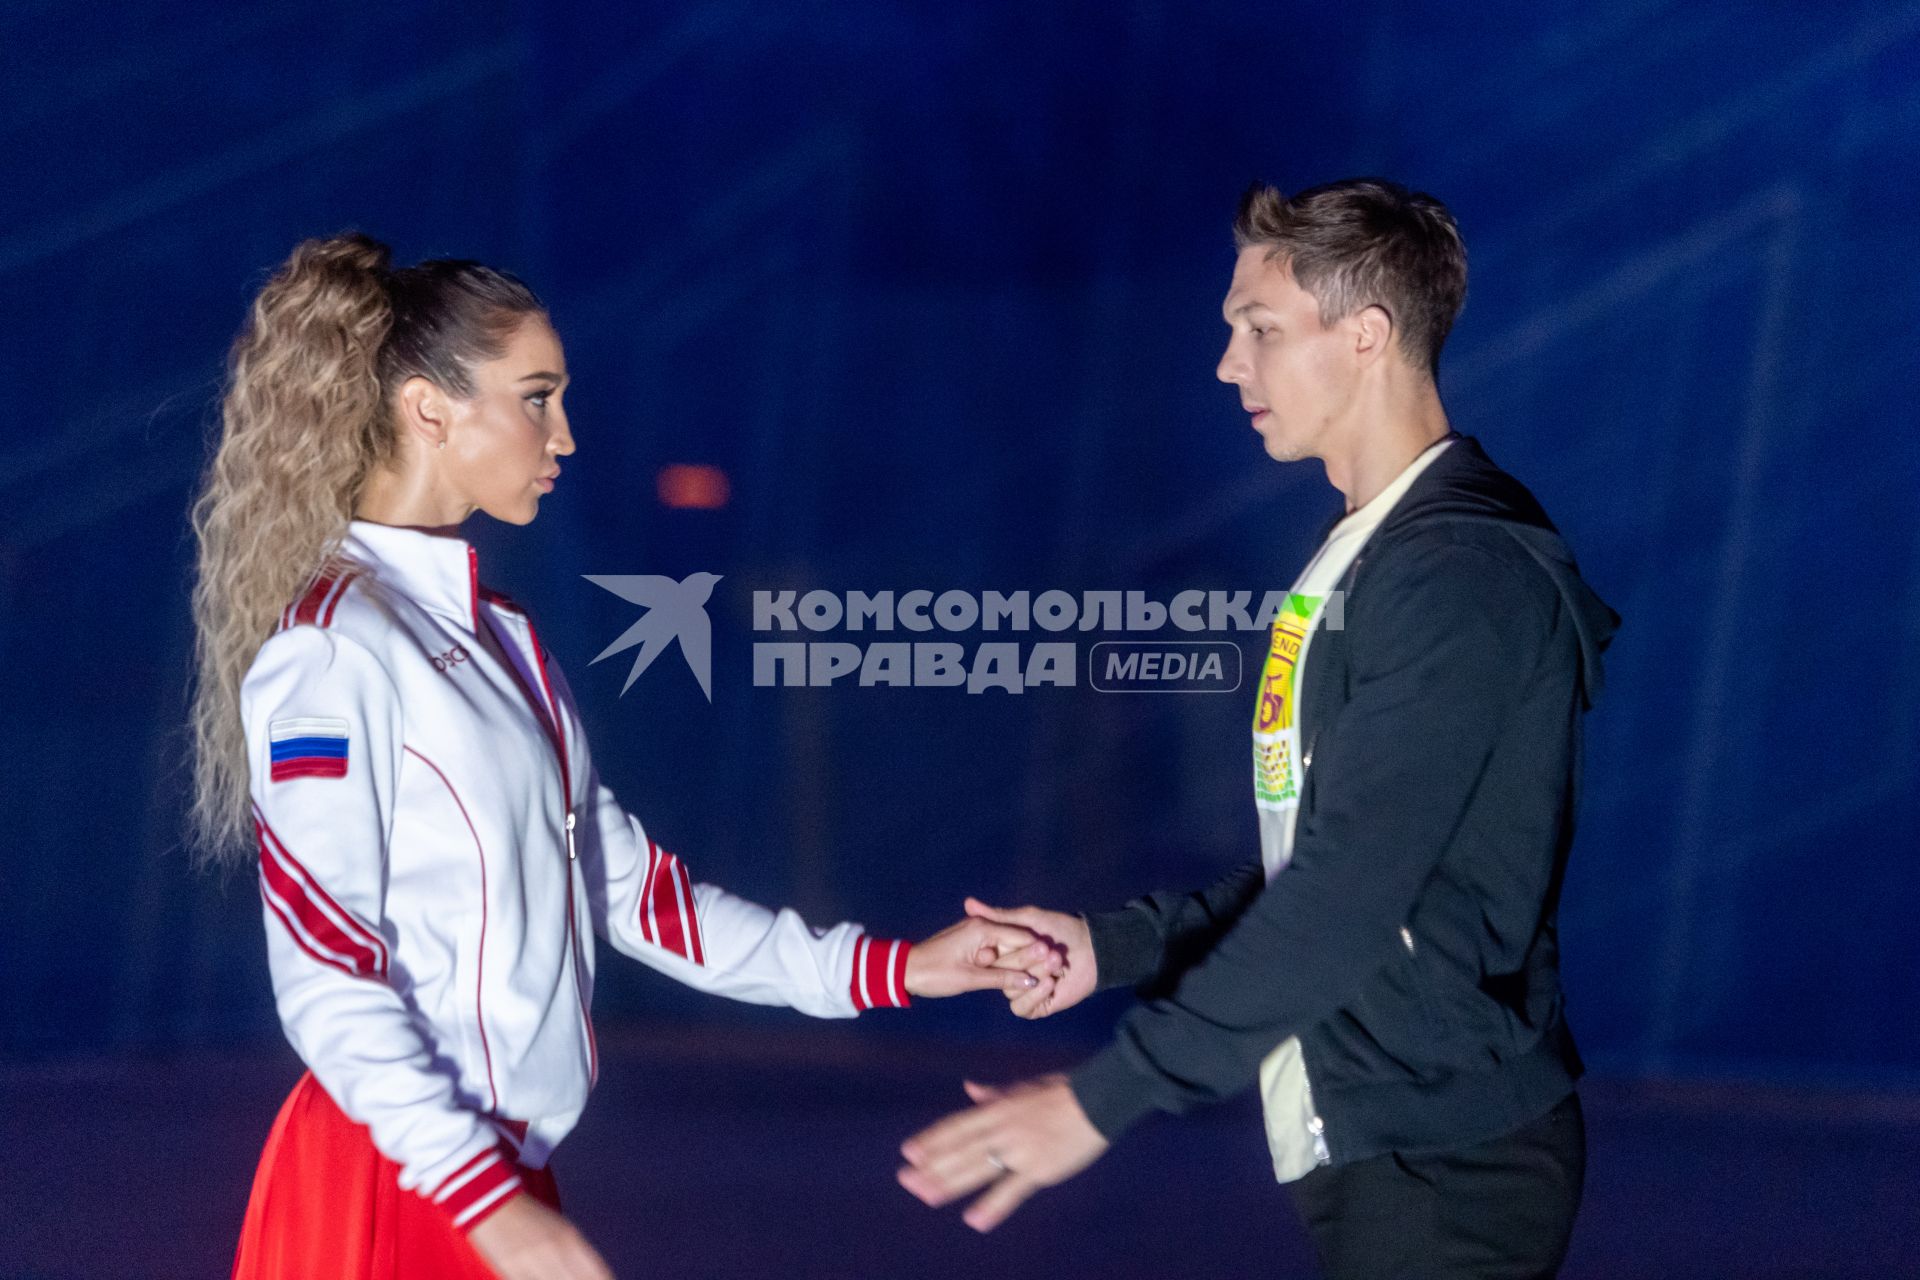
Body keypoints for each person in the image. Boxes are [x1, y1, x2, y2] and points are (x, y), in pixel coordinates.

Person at [187, 232, 1063, 1280]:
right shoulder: (332, 649)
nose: (564, 434)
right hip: (394, 1180)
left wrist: (898, 967)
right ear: (429, 409)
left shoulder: (500, 637)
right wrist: (491, 1210)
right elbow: (328, 972)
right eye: (537, 396)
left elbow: (639, 896)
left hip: (491, 1177)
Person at [897, 178, 1621, 1280]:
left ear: (1368, 335)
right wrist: (1116, 947)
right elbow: (1329, 858)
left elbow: (1351, 894)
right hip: (1391, 1147)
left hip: (1444, 1164)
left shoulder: (1458, 575)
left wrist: (1103, 1098)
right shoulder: (1377, 552)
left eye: (1261, 329)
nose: (1231, 363)